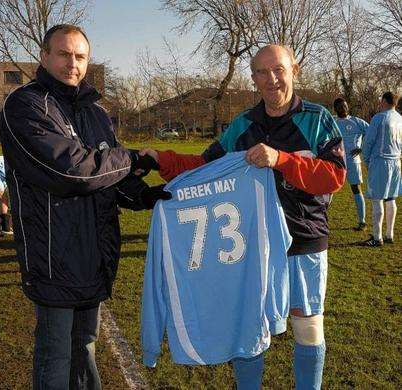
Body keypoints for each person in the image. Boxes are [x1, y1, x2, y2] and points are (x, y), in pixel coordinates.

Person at [140, 44, 346, 389]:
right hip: (252, 247)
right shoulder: (243, 125)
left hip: (304, 241)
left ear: (294, 70)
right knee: (249, 327)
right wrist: (160, 159)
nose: (272, 79)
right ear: (253, 79)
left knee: (307, 328)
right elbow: (205, 167)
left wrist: (281, 160)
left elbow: (334, 176)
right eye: (262, 73)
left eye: (279, 69)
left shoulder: (318, 118)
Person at [0, 24, 169, 389]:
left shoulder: (95, 112)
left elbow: (109, 170)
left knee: (85, 346)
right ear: (44, 56)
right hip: (53, 256)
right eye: (63, 54)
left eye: (79, 56)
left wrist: (141, 195)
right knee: (55, 352)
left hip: (94, 252)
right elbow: (73, 170)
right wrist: (131, 157)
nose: (71, 64)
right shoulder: (25, 105)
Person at [362, 92, 402, 247]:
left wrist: (366, 160)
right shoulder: (400, 119)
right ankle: (389, 234)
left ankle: (377, 237)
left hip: (380, 161)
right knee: (391, 198)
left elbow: (369, 141)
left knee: (377, 198)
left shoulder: (379, 118)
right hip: (396, 162)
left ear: (384, 101)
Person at [333, 98, 369, 230]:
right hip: (336, 161)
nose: (343, 108)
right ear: (335, 109)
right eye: (340, 106)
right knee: (329, 189)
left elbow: (371, 134)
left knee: (356, 189)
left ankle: (362, 222)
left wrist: (361, 148)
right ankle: (321, 219)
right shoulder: (332, 121)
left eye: (345, 106)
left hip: (353, 162)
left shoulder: (357, 121)